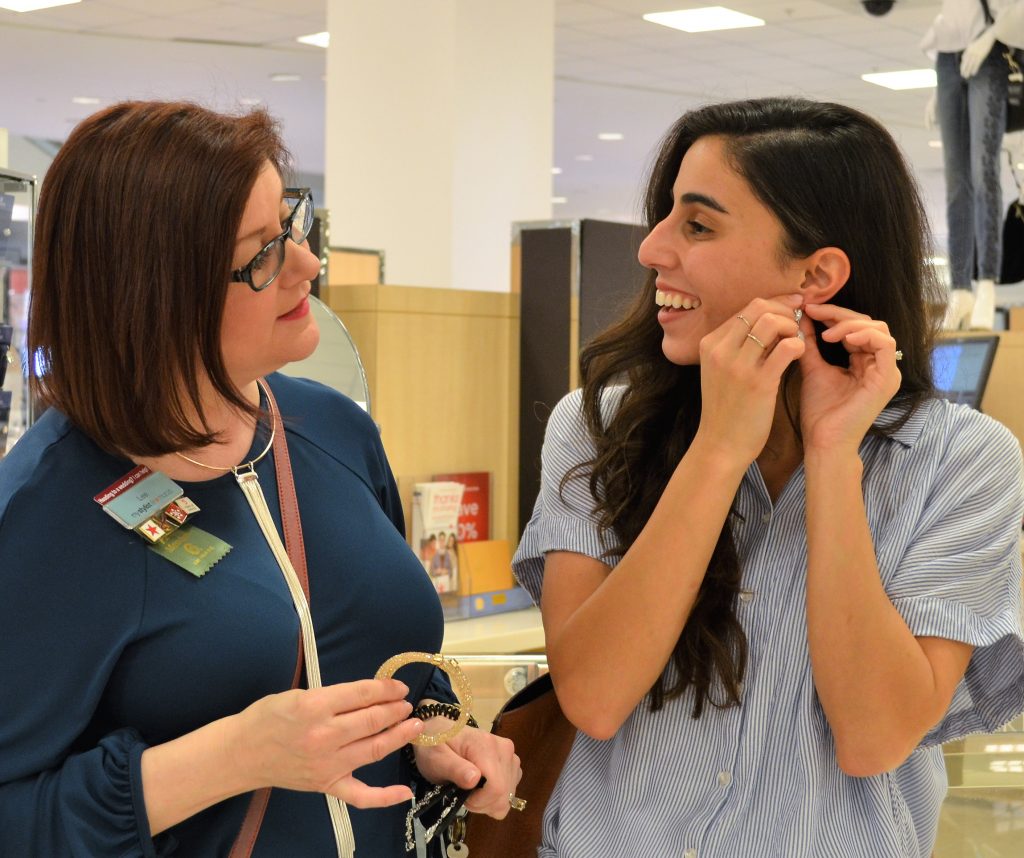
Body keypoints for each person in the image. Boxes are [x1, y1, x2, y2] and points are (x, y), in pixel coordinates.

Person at [0, 101, 520, 857]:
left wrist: (438, 735)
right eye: (263, 253)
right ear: (155, 294)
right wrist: (234, 757)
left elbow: (378, 656)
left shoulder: (334, 430)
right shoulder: (49, 511)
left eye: (293, 225)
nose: (308, 266)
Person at [513, 96, 1024, 857]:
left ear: (816, 275)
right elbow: (591, 694)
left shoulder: (963, 460)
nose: (653, 249)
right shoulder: (596, 425)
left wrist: (831, 454)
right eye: (665, 217)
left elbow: (876, 738)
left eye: (697, 224)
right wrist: (719, 450)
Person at [921, 0, 1024, 327]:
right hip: (947, 59)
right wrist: (939, 90)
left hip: (988, 53)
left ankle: (987, 284)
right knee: (956, 184)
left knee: (984, 174)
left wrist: (991, 36)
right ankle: (960, 288)